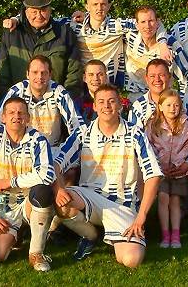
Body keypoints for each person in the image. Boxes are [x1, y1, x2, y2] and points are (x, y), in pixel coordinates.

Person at [53, 84, 162, 268]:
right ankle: (90, 235)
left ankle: (115, 235)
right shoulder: (83, 132)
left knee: (131, 260)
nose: (107, 106)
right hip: (90, 198)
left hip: (123, 205)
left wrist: (141, 217)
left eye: (112, 101)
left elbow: (153, 175)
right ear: (94, 106)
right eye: (101, 102)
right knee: (61, 200)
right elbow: (56, 162)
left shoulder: (135, 133)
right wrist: (59, 189)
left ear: (120, 105)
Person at [128, 59, 188, 246]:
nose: (157, 79)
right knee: (134, 169)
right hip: (151, 163)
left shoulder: (185, 102)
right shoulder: (138, 106)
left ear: (169, 77)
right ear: (146, 79)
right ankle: (138, 223)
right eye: (152, 76)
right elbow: (133, 142)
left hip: (181, 159)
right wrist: (154, 164)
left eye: (162, 75)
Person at [0, 97, 55, 271]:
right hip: (2, 207)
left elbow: (47, 175)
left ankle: (36, 252)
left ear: (27, 117)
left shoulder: (38, 140)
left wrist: (12, 181)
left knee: (43, 191)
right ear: (3, 117)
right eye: (11, 112)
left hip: (27, 203)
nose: (16, 116)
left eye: (21, 113)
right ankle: (17, 234)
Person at [0, 0, 82, 98]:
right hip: (19, 106)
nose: (39, 16)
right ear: (26, 13)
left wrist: (66, 100)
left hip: (55, 104)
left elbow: (74, 73)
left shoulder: (64, 33)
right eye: (34, 12)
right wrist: (10, 102)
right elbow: (2, 74)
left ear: (50, 11)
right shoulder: (12, 34)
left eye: (43, 11)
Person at [0, 55, 84, 148]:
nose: (39, 76)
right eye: (35, 72)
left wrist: (65, 153)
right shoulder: (17, 91)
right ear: (27, 74)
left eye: (44, 73)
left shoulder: (58, 92)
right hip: (22, 150)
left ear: (50, 75)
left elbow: (77, 126)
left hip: (52, 149)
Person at [145, 90, 188, 248]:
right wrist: (160, 164)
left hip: (178, 170)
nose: (173, 108)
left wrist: (179, 163)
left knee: (174, 201)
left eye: (176, 105)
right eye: (168, 105)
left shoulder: (185, 124)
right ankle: (165, 234)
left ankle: (176, 235)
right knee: (163, 198)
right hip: (161, 170)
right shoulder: (153, 125)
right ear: (160, 106)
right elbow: (148, 146)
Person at [125, 6, 188, 103]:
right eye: (143, 22)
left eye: (151, 21)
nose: (147, 26)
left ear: (157, 22)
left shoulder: (170, 45)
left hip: (162, 99)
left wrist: (187, 102)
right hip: (135, 97)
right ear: (137, 24)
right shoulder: (129, 36)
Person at [75, 60, 109, 124]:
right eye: (91, 75)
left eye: (100, 74)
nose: (96, 78)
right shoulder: (77, 104)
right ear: (84, 78)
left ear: (106, 77)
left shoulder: (116, 102)